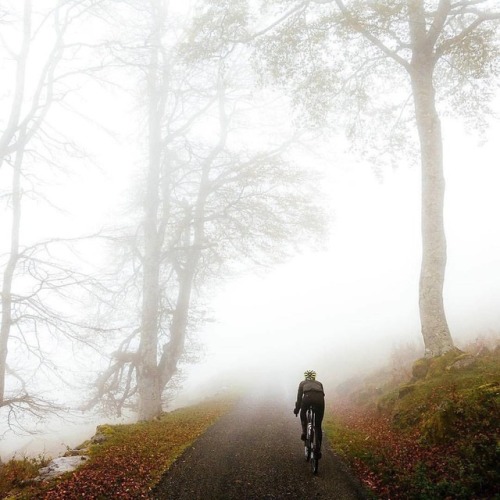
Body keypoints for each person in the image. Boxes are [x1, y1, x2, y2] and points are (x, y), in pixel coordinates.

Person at [293, 370, 325, 455]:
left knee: (303, 413)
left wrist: (297, 409)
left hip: (307, 398)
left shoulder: (302, 383)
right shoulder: (319, 383)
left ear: (305, 377)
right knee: (318, 426)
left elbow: (299, 398)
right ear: (315, 377)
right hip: (320, 400)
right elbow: (322, 394)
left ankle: (304, 432)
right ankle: (318, 450)